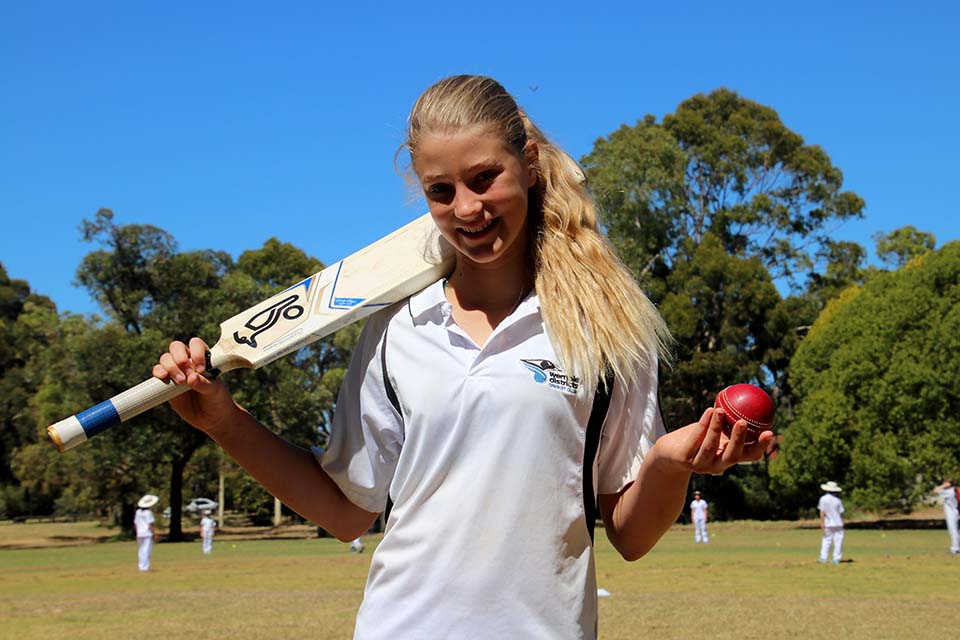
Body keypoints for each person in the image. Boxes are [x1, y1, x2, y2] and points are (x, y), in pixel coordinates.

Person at [152, 74, 772, 639]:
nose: (467, 209)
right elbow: (346, 511)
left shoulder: (607, 329)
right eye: (441, 191)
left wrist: (667, 461)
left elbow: (630, 535)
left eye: (484, 179)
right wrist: (222, 422)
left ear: (529, 164)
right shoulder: (396, 330)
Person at [817, 481, 845, 564]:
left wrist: (822, 522)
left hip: (828, 523)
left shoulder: (823, 499)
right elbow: (841, 512)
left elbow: (822, 512)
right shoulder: (838, 500)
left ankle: (823, 558)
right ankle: (836, 558)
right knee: (838, 541)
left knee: (826, 540)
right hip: (838, 523)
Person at [932, 479, 959, 555]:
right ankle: (956, 548)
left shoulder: (950, 491)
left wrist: (944, 485)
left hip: (952, 514)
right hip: (953, 513)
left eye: (944, 482)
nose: (943, 484)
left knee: (953, 531)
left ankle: (955, 549)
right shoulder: (952, 491)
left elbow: (935, 490)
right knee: (954, 531)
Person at [134, 494, 158, 572]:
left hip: (140, 533)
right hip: (147, 533)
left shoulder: (138, 512)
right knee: (146, 550)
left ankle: (141, 567)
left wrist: (137, 533)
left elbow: (136, 523)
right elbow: (150, 524)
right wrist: (154, 533)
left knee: (141, 550)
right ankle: (145, 568)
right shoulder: (148, 512)